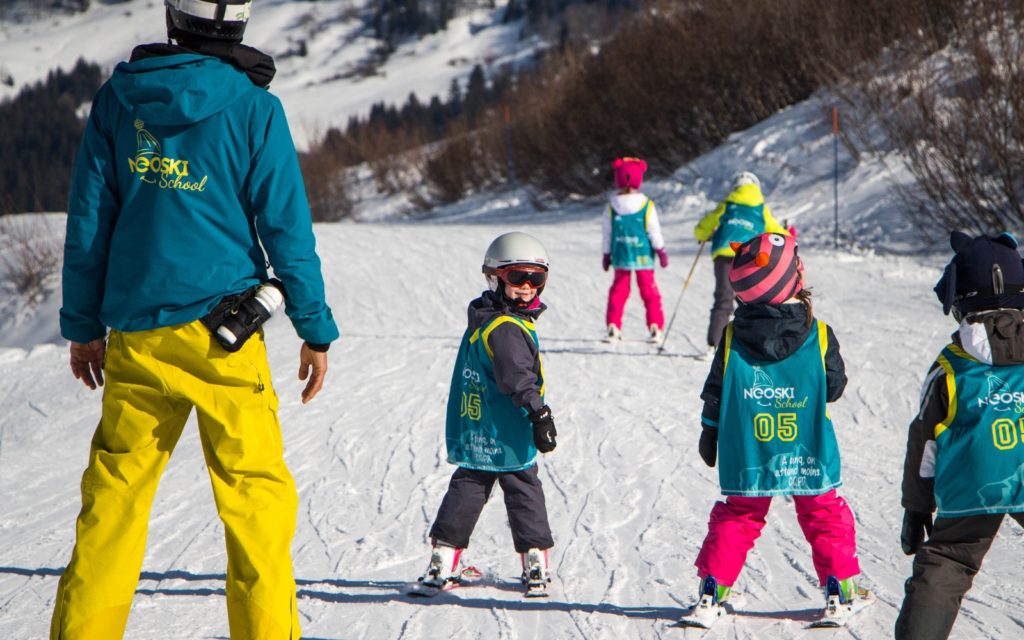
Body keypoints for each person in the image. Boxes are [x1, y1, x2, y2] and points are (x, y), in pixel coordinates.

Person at [52, 1, 339, 638]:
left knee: (114, 502)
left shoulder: (118, 100)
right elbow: (287, 231)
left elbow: (90, 223)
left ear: (171, 18)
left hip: (137, 335)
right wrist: (314, 328)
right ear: (237, 23)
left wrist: (83, 326)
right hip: (224, 339)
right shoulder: (255, 108)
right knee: (255, 505)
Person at [684, 232, 872, 627]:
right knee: (823, 513)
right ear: (795, 280)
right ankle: (840, 589)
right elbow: (833, 388)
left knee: (739, 514)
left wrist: (709, 429)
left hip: (751, 448)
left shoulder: (733, 336)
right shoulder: (819, 334)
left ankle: (712, 591)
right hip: (806, 446)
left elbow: (717, 389)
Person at [413, 232, 558, 597]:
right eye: (516, 278)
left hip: (477, 428)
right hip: (508, 429)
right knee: (524, 489)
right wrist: (539, 416)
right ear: (495, 276)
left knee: (469, 487)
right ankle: (535, 561)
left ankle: (442, 560)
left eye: (535, 278)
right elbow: (519, 380)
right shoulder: (507, 328)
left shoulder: (484, 315)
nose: (526, 288)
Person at [895, 231, 1024, 639]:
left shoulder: (951, 366)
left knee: (949, 559)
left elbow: (925, 442)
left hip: (976, 476)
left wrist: (917, 506)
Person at [693, 171, 789, 351]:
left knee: (723, 298)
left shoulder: (727, 204)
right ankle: (757, 344)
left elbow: (703, 228)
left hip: (723, 253)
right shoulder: (761, 208)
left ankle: (715, 344)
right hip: (749, 256)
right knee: (749, 299)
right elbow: (778, 232)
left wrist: (704, 235)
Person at [602, 157, 668, 343]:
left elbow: (607, 233)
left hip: (621, 254)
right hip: (642, 256)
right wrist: (661, 250)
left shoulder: (611, 207)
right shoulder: (646, 205)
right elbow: (653, 231)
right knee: (649, 291)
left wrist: (606, 254)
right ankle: (655, 326)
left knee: (619, 290)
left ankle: (613, 326)